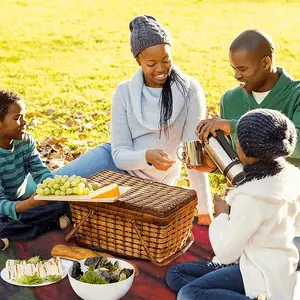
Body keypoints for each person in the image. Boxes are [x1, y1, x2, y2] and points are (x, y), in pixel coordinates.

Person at [51, 15, 213, 224]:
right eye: (151, 63)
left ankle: (64, 216)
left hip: (149, 186)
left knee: (79, 208)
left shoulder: (190, 90)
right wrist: (146, 156)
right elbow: (119, 155)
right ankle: (12, 212)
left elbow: (193, 156)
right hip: (113, 162)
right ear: (138, 60)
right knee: (50, 188)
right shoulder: (125, 92)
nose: (161, 69)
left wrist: (205, 211)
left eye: (166, 59)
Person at [166, 108, 300, 300]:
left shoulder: (251, 197)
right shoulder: (291, 178)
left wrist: (222, 215)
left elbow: (225, 252)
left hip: (260, 276)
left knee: (188, 293)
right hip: (272, 266)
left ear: (244, 150)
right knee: (175, 275)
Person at [195, 29, 300, 262]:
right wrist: (216, 165)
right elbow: (243, 160)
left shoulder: (296, 95)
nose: (236, 76)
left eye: (242, 69)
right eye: (233, 68)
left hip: (289, 208)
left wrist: (234, 126)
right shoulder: (230, 100)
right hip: (248, 205)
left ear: (266, 62)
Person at [0, 90, 70, 241]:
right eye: (17, 118)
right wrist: (29, 204)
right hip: (4, 208)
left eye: (24, 116)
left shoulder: (25, 141)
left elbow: (40, 172)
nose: (24, 122)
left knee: (64, 204)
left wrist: (53, 189)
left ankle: (13, 232)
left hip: (21, 202)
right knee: (2, 222)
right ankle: (46, 226)